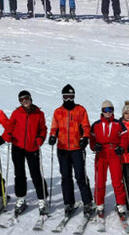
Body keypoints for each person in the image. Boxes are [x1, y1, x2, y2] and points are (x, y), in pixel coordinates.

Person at [49, 84, 94, 217]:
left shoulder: (80, 110)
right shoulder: (58, 111)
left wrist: (85, 138)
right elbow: (54, 128)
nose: (68, 99)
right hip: (62, 149)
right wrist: (52, 137)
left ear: (74, 96)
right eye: (66, 97)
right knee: (65, 176)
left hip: (77, 148)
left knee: (80, 176)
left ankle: (87, 203)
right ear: (62, 97)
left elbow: (86, 126)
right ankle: (69, 203)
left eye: (71, 96)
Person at [6, 91, 47, 215]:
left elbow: (43, 129)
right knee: (19, 173)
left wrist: (40, 138)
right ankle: (21, 198)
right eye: (22, 99)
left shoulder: (39, 113)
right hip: (17, 146)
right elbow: (10, 126)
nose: (24, 101)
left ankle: (42, 199)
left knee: (35, 173)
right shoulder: (16, 113)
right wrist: (8, 134)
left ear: (30, 99)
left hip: (32, 147)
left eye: (26, 98)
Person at [90, 101, 129, 221]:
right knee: (100, 180)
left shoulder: (118, 123)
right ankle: (100, 204)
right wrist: (94, 146)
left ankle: (120, 205)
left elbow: (125, 136)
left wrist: (122, 147)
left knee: (117, 180)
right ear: (102, 111)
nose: (108, 112)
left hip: (114, 152)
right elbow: (91, 138)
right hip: (101, 153)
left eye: (110, 110)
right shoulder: (96, 124)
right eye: (106, 110)